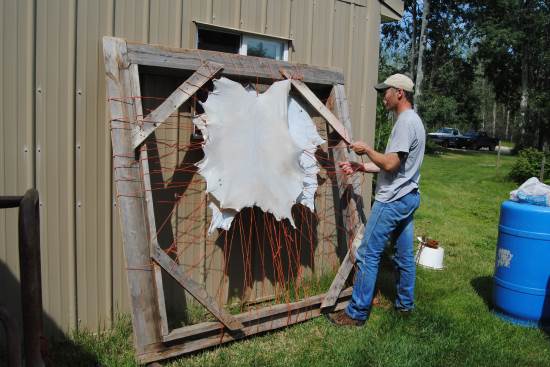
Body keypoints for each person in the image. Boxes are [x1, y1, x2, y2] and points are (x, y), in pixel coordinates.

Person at [328, 73, 426, 326]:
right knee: (404, 256)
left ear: (399, 93)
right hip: (409, 196)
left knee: (367, 253)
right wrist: (361, 167)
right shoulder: (414, 120)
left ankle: (356, 314)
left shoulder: (405, 123)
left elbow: (391, 163)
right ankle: (405, 306)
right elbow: (398, 166)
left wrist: (367, 150)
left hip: (393, 200)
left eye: (387, 91)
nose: (384, 96)